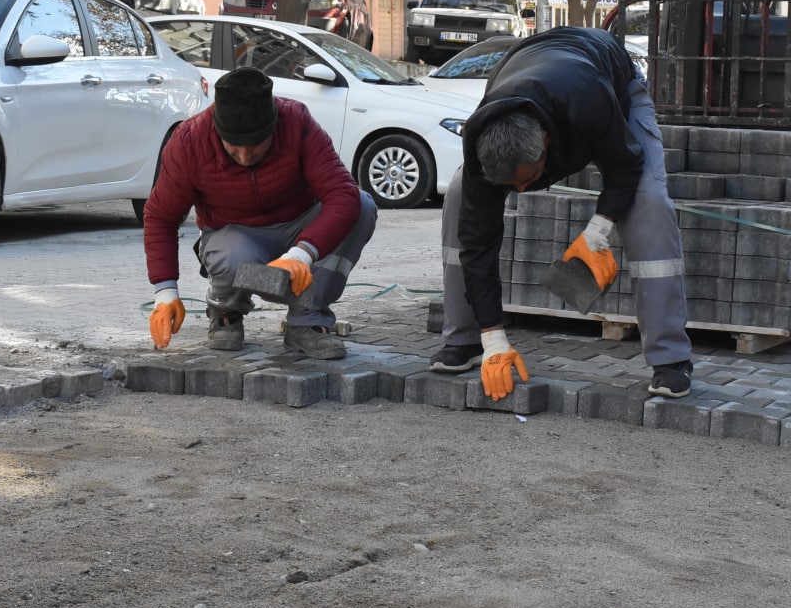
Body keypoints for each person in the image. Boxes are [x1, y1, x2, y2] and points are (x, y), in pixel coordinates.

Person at [430, 26, 694, 400]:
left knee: (649, 203)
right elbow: (477, 243)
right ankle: (467, 340)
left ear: (547, 146)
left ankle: (671, 359)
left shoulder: (588, 99)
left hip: (610, 84)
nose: (520, 192)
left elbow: (624, 166)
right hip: (533, 69)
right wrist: (495, 337)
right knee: (459, 197)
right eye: (511, 186)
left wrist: (598, 231)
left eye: (528, 180)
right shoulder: (483, 140)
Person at [143, 66, 377, 359]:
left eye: (255, 147)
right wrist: (165, 293)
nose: (244, 157)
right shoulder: (190, 142)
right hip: (236, 236)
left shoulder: (296, 122)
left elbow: (343, 193)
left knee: (363, 206)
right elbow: (160, 217)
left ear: (273, 125)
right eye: (233, 147)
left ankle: (307, 320)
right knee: (233, 259)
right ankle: (225, 309)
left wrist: (302, 254)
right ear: (217, 128)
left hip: (299, 229)